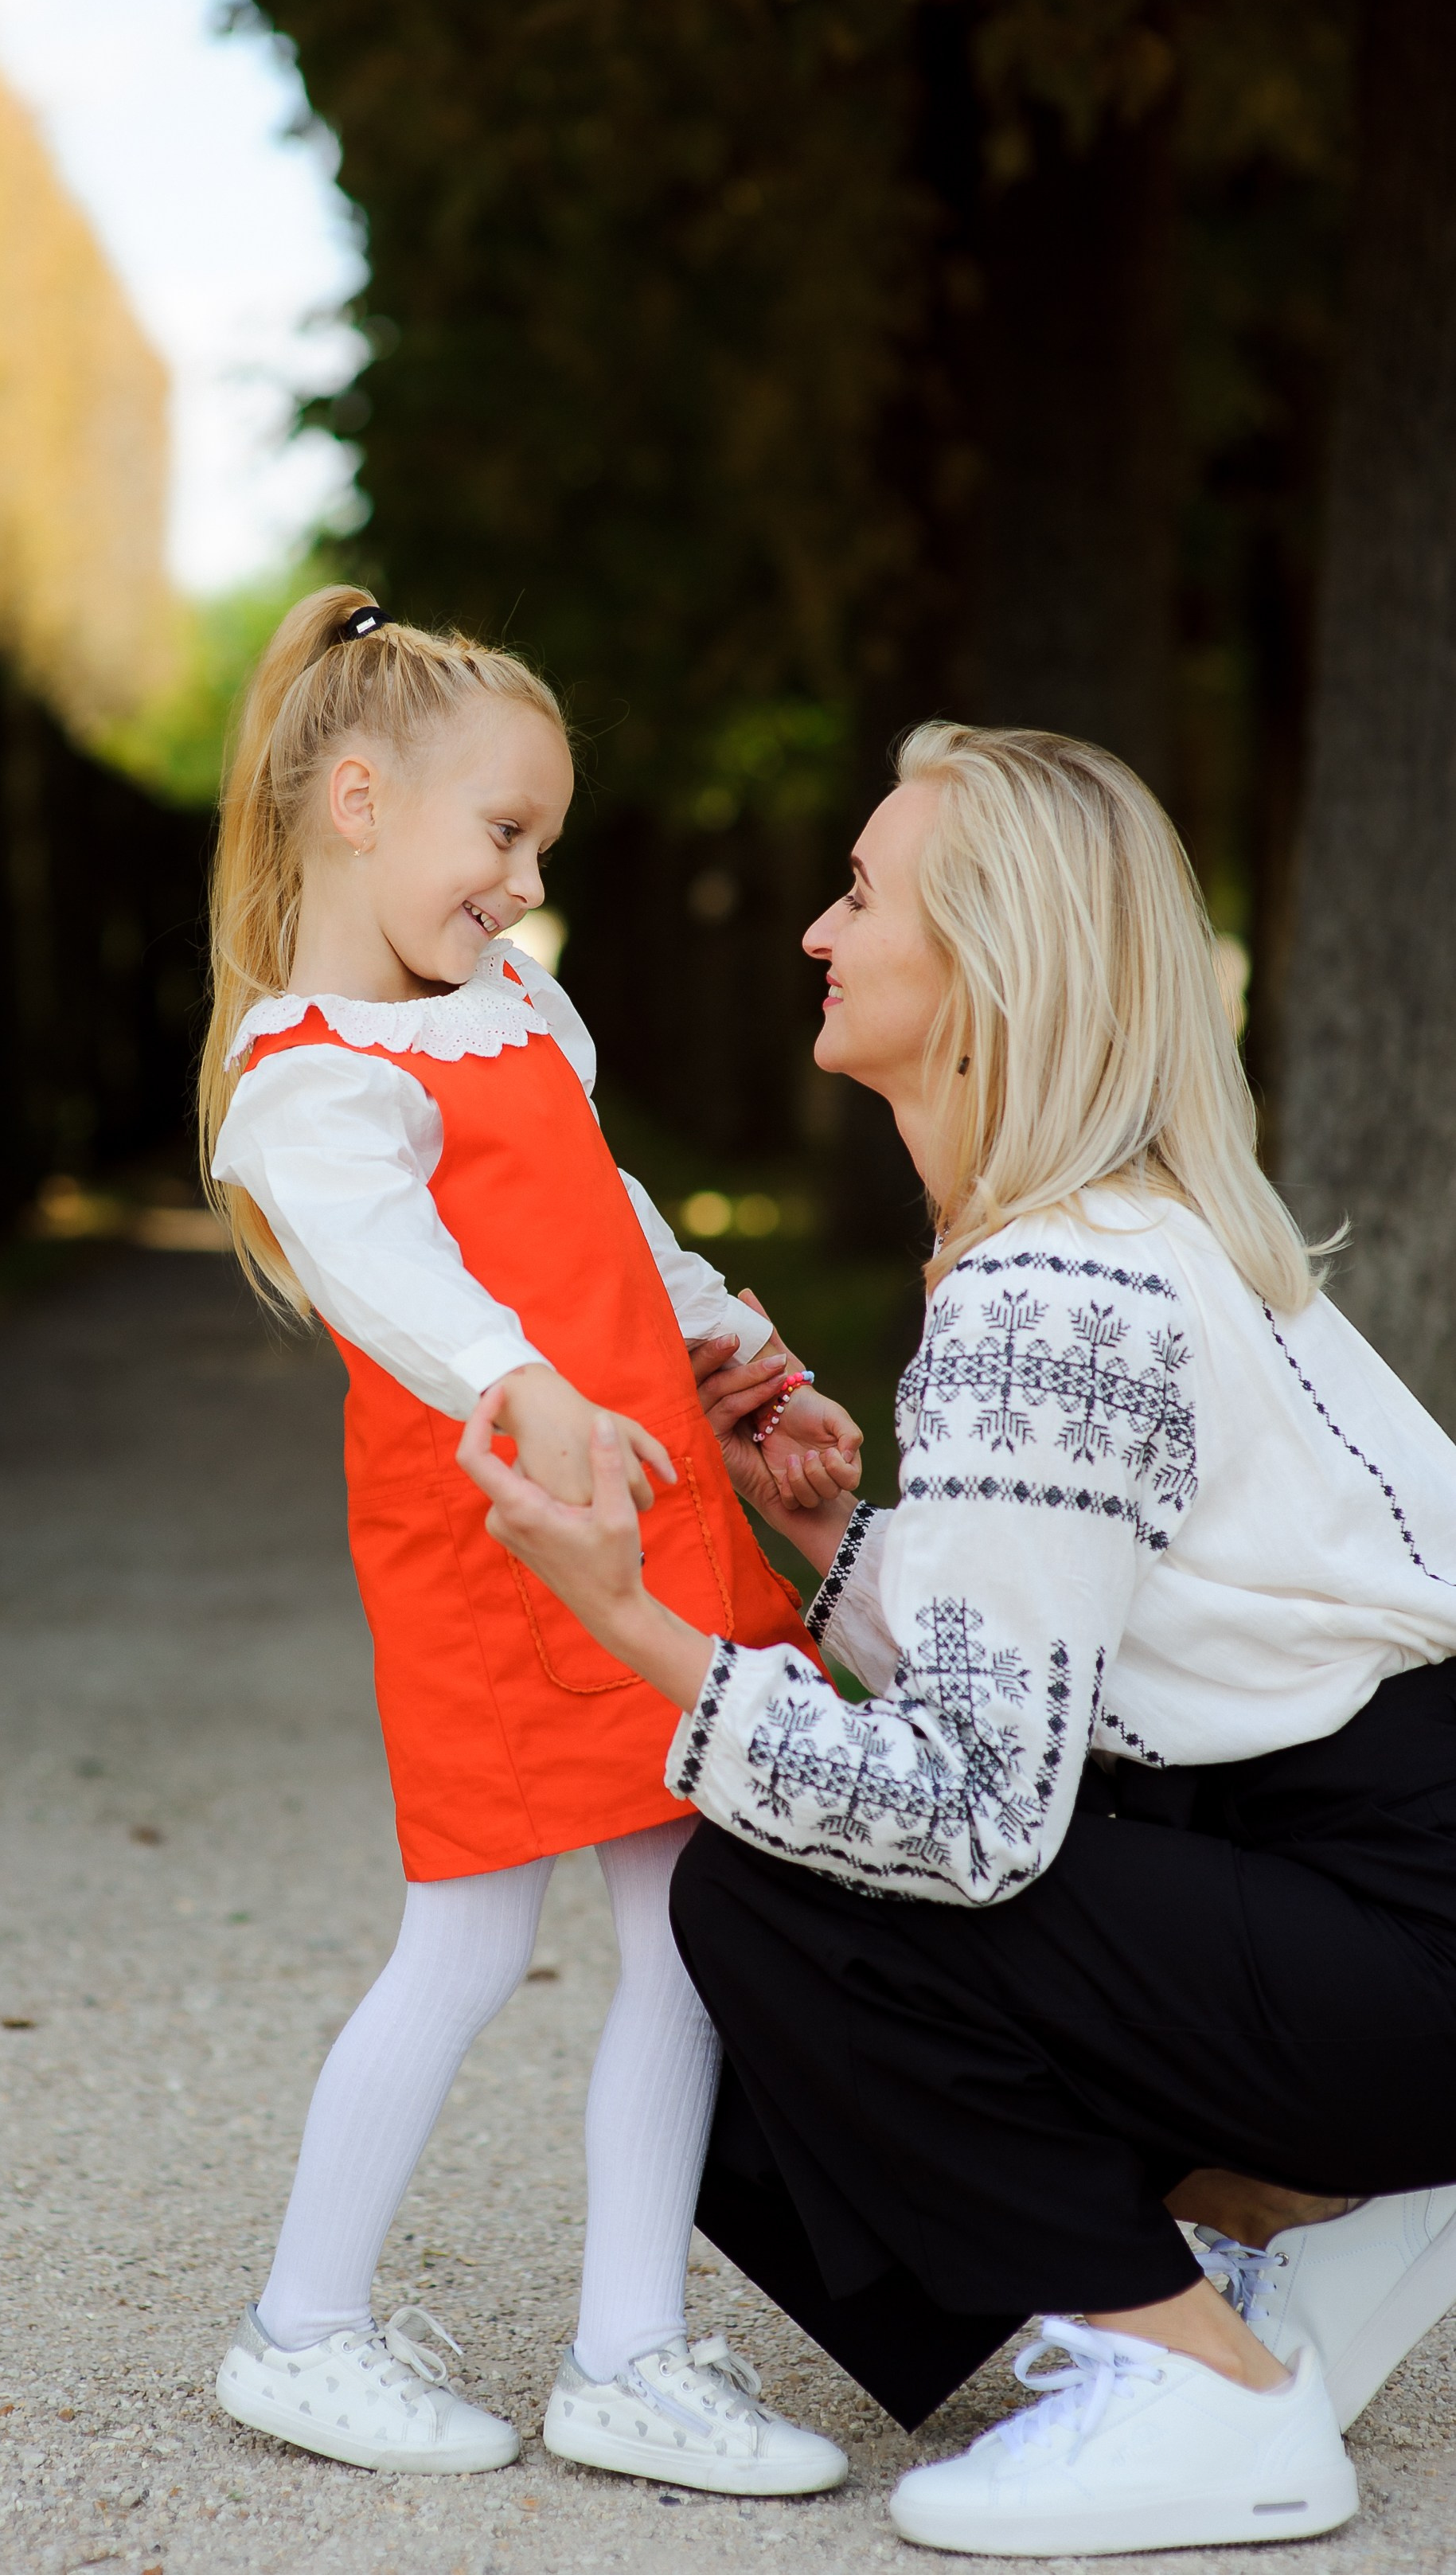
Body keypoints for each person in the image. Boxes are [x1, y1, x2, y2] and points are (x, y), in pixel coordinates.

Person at [457, 720, 1456, 2557]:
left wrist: (637, 1621)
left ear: (990, 966)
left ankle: (1208, 2390)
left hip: (1398, 1934)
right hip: (1380, 1884)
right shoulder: (1139, 1234)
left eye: (860, 894)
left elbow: (977, 1812)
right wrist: (827, 1541)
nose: (819, 932)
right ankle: (1288, 2203)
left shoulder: (1048, 1291)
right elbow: (1107, 1663)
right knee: (819, 1847)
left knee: (769, 1895)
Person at [201, 587, 865, 2491]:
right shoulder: (307, 1076)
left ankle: (628, 2351)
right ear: (357, 802)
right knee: (470, 1940)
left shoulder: (517, 1012)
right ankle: (302, 2324)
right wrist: (519, 1377)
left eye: (543, 844)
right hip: (500, 1554)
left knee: (689, 1927)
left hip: (643, 1516)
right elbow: (394, 1275)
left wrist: (736, 1352)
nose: (525, 882)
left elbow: (611, 1210)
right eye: (503, 833)